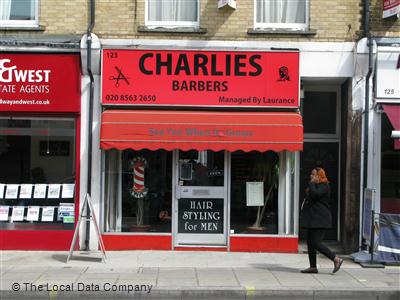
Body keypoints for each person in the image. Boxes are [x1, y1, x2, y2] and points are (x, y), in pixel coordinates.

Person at [300, 167, 343, 274]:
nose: (311, 176)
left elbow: (316, 194)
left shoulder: (324, 185)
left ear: (319, 176)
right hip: (313, 219)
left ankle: (336, 259)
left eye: (313, 174)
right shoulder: (315, 185)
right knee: (310, 242)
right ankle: (313, 266)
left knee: (316, 242)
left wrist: (311, 183)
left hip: (321, 218)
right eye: (311, 174)